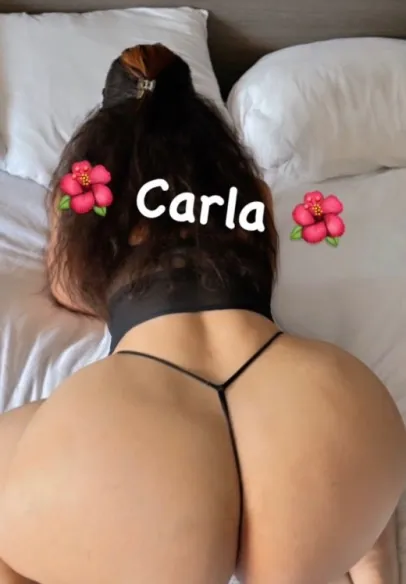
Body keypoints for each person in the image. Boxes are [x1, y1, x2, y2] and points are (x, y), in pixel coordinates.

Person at [0, 43, 404, 584]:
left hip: (132, 464)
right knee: (366, 476)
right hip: (320, 426)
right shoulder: (250, 191)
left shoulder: (89, 193)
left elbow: (70, 287)